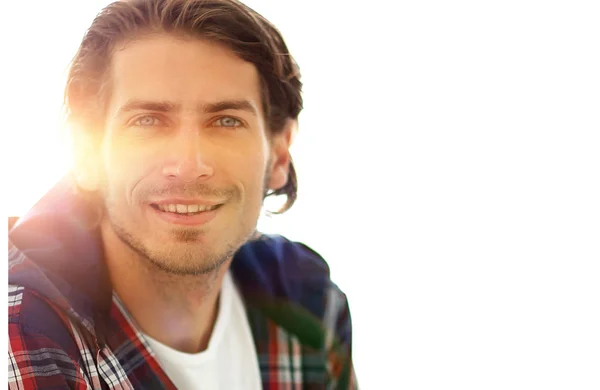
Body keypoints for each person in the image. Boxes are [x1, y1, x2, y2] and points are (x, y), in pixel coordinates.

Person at [7, 0, 357, 388]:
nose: (189, 164)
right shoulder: (22, 330)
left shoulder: (307, 300)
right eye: (148, 120)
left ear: (278, 153)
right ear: (87, 153)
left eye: (226, 121)